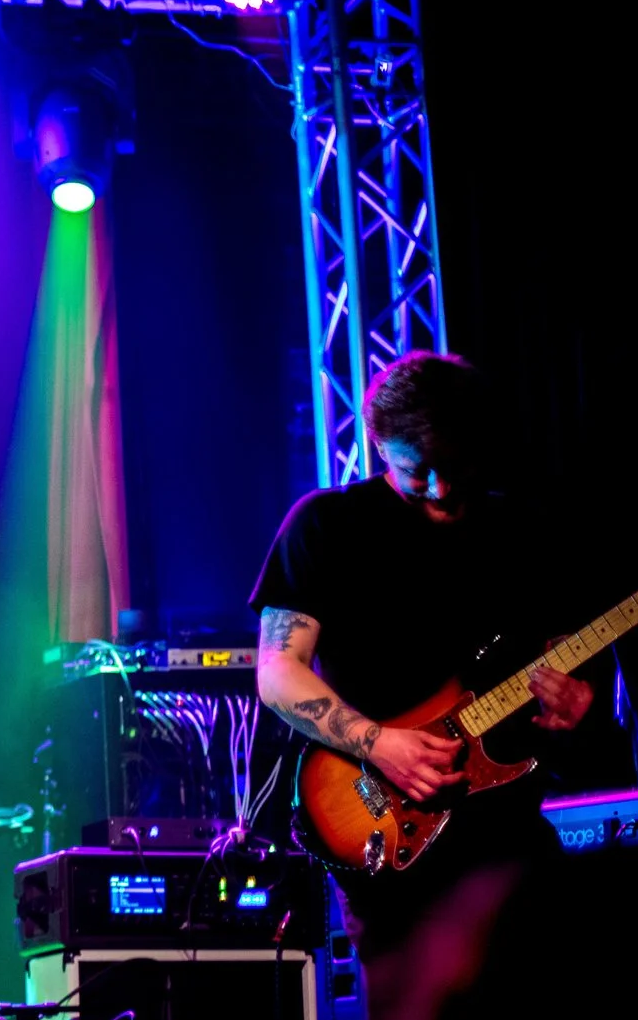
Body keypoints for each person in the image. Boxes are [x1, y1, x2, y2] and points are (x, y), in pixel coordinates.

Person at [251, 351, 594, 983]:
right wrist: (379, 743)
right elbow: (277, 671)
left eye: (453, 467)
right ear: (378, 445)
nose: (439, 489)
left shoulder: (522, 530)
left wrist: (573, 700)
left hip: (510, 833)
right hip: (390, 827)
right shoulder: (326, 525)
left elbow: (562, 648)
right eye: (417, 471)